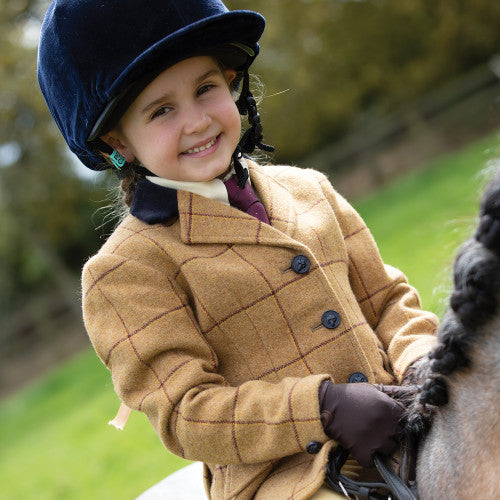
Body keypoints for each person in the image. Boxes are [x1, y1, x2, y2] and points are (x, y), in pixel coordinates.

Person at [37, 1, 438, 498]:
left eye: (205, 89)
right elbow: (187, 411)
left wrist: (421, 359)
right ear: (117, 141)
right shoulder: (124, 272)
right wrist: (323, 407)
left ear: (231, 83)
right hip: (288, 479)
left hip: (406, 410)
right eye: (162, 110)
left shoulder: (309, 188)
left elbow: (387, 298)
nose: (198, 121)